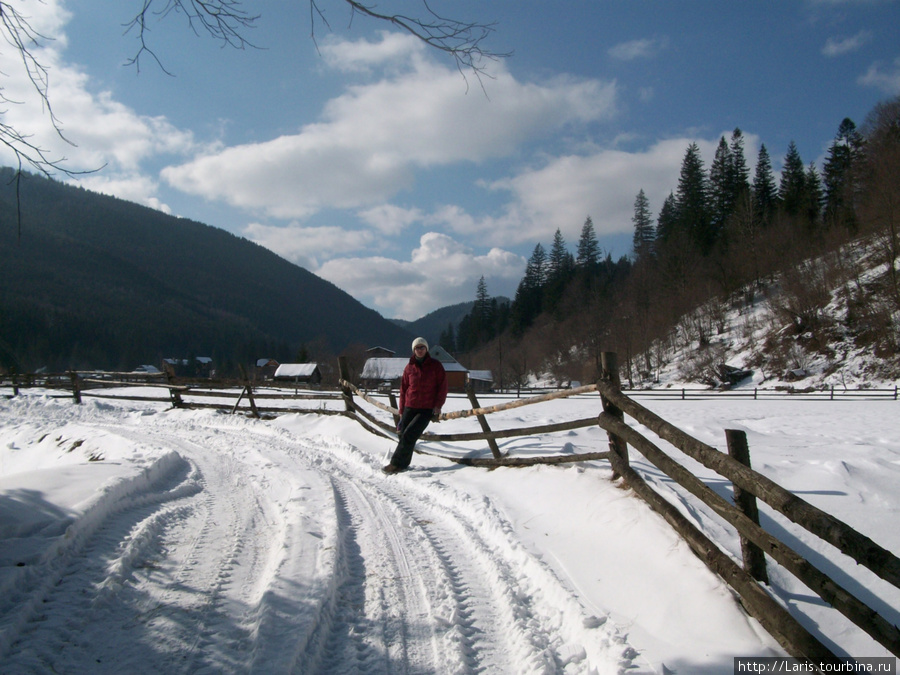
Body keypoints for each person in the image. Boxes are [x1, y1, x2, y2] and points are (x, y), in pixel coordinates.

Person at [383, 337, 447, 474]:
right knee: (402, 435)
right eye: (417, 348)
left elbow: (442, 387)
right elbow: (403, 390)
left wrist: (438, 405)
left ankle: (394, 464)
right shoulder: (409, 367)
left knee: (409, 435)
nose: (420, 350)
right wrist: (401, 410)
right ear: (413, 350)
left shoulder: (435, 366)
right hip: (409, 406)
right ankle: (403, 464)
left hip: (426, 409)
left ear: (426, 349)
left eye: (422, 347)